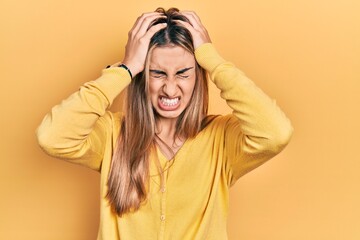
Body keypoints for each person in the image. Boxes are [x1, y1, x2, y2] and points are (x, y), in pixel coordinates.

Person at [36, 7, 293, 240]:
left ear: (198, 76)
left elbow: (275, 133)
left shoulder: (221, 140)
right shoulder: (112, 134)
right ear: (141, 76)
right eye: (157, 73)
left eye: (183, 73)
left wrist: (212, 60)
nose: (170, 89)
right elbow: (53, 137)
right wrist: (125, 69)